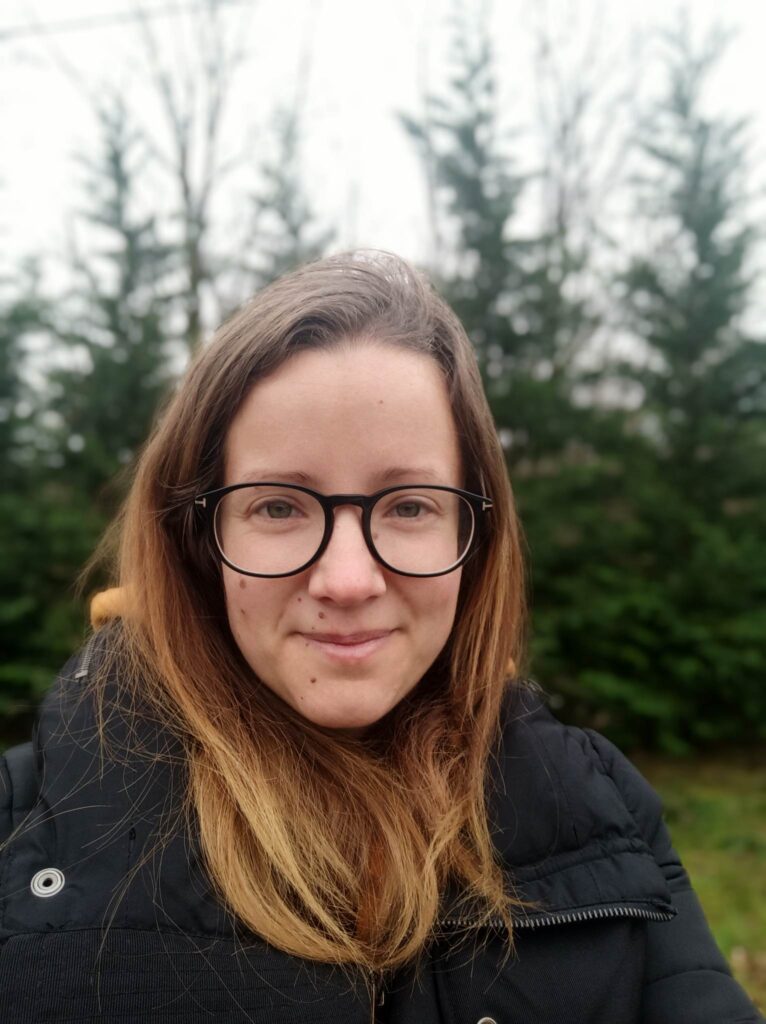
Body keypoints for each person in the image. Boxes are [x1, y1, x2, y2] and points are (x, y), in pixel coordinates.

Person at [0, 251, 761, 1024]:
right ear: (199, 538)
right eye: (278, 506)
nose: (348, 580)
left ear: (472, 533)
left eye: (409, 506)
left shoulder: (599, 805)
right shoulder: (19, 826)